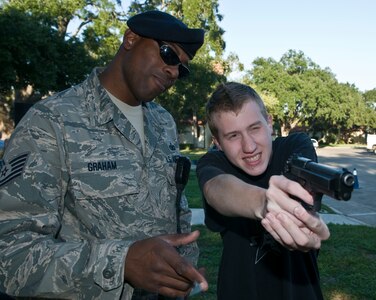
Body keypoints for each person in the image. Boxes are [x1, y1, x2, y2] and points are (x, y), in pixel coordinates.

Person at [0, 10, 208, 300]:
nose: (173, 72)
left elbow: (177, 211)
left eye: (181, 69)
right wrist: (120, 263)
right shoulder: (51, 122)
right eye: (168, 55)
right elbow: (10, 255)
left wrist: (185, 266)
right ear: (131, 39)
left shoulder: (163, 123)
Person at [196, 82, 330, 299]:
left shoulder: (294, 146)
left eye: (254, 128)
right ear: (218, 143)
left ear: (269, 124)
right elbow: (216, 189)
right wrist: (264, 202)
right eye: (233, 136)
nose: (249, 147)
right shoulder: (212, 163)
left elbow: (305, 186)